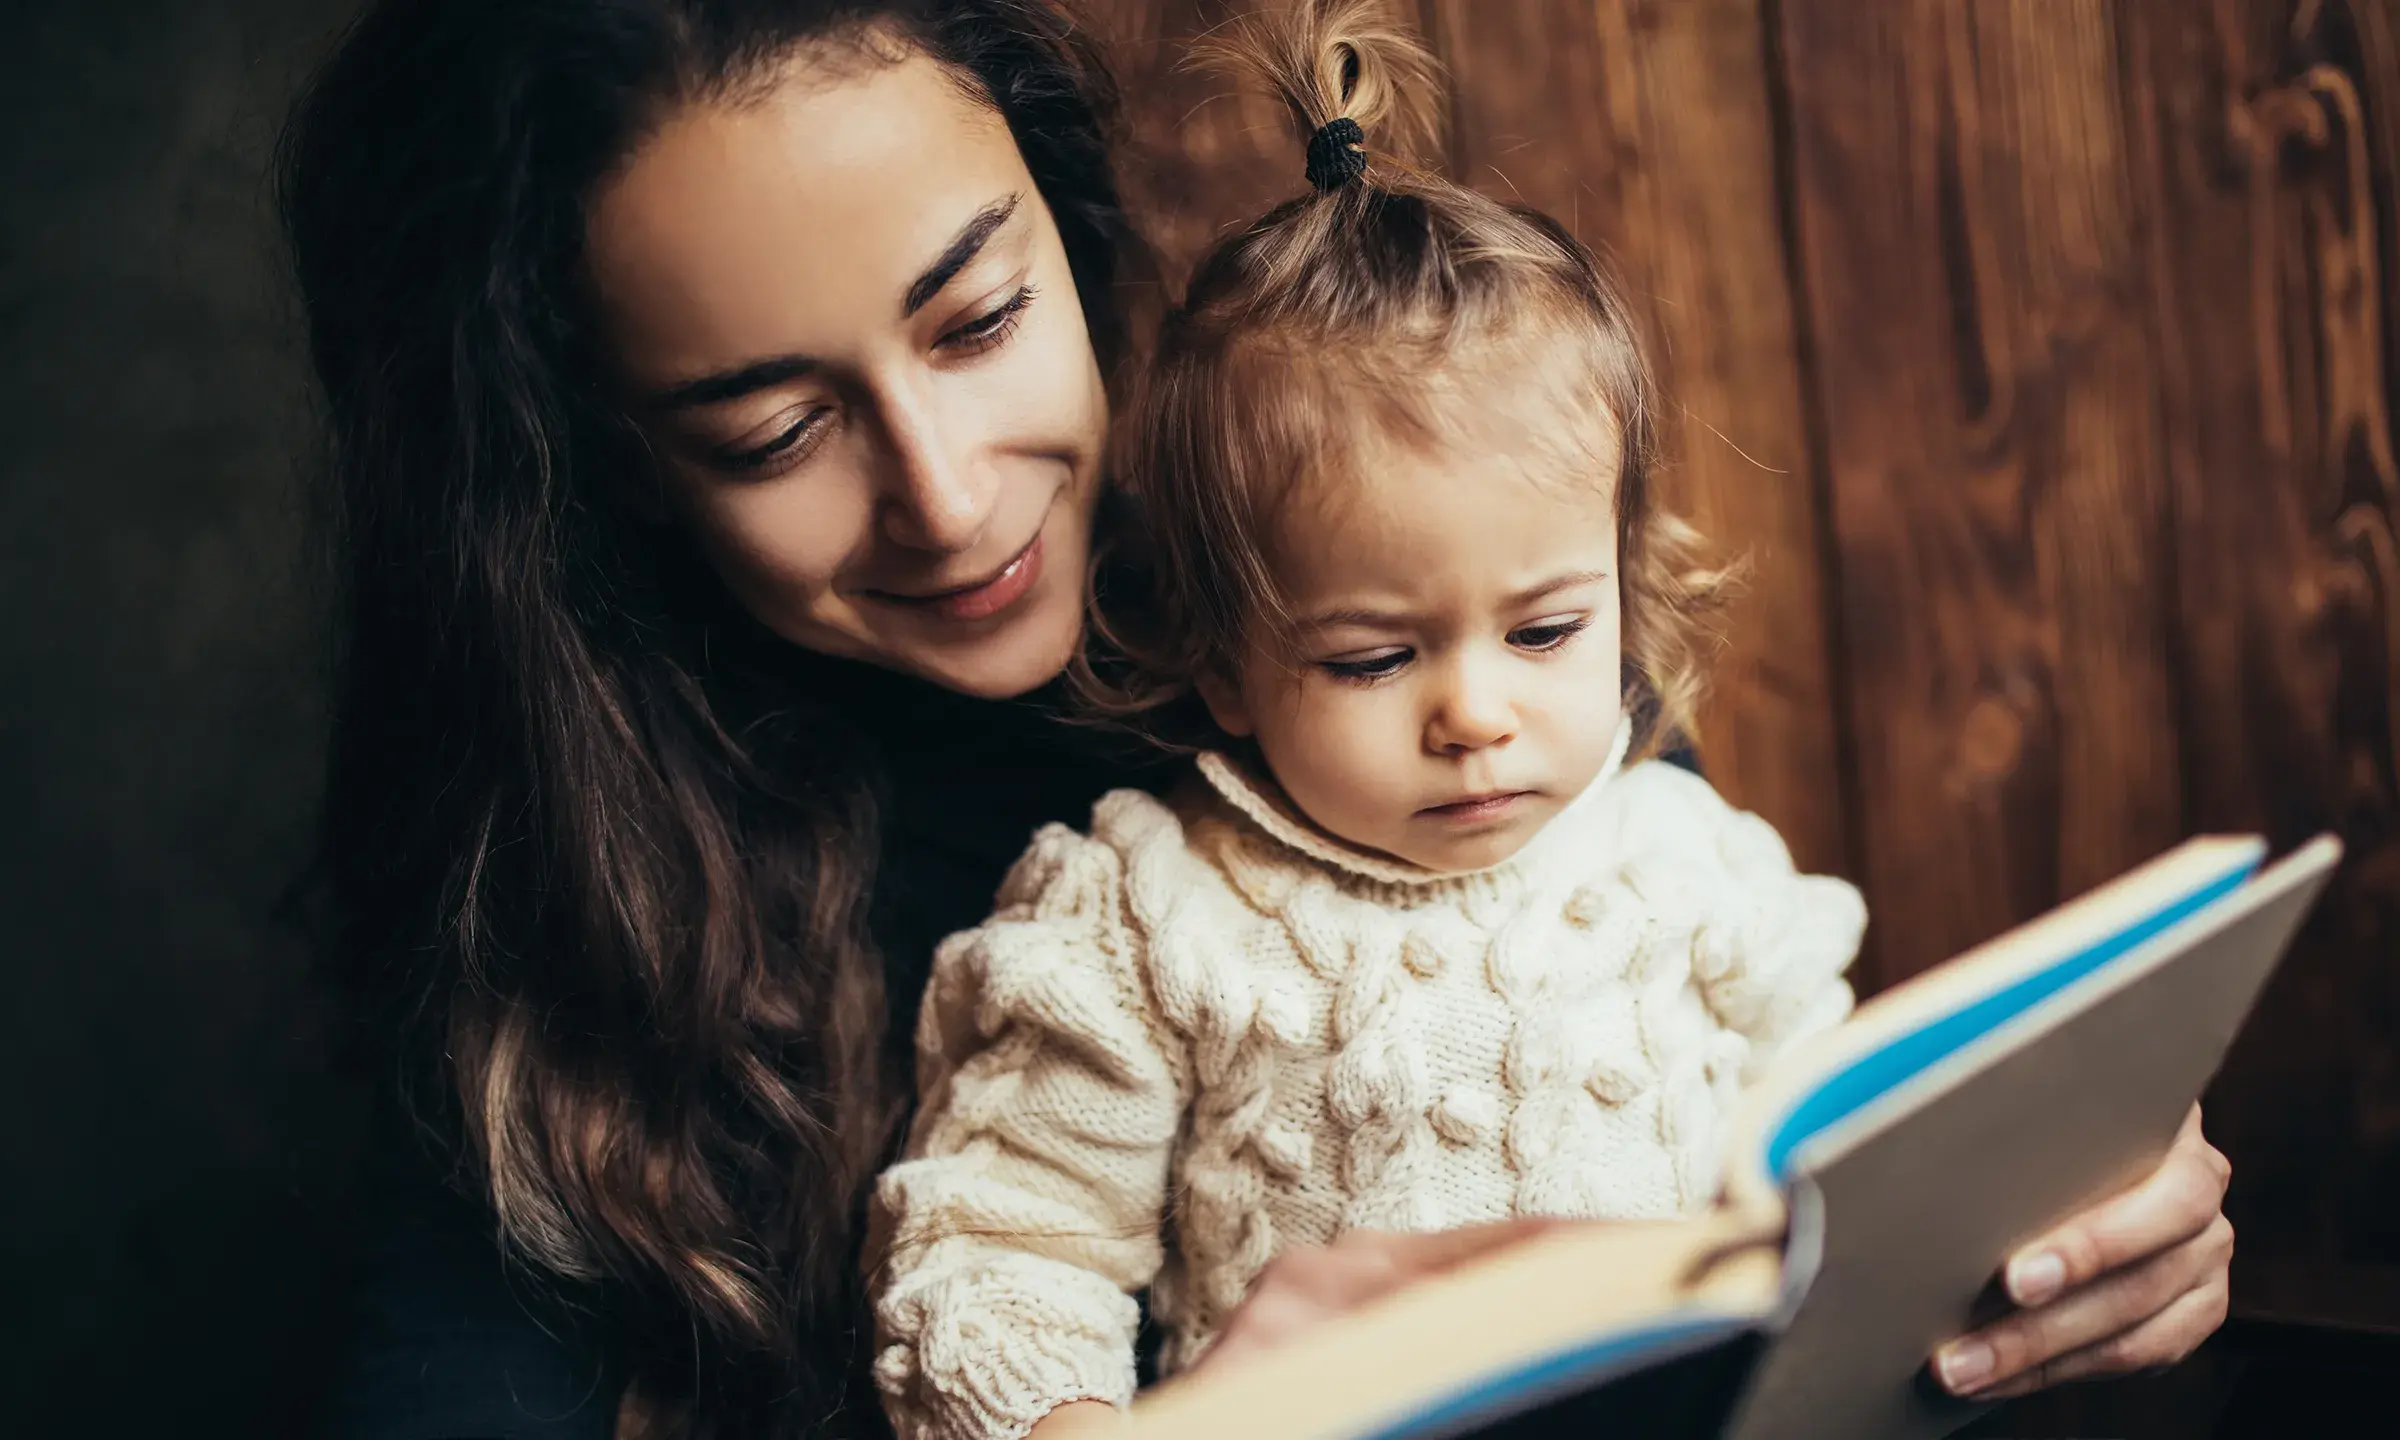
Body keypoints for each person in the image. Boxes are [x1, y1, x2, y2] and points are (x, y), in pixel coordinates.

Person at [275, 1, 2235, 1436]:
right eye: (779, 430)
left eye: (977, 321)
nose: (950, 496)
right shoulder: (599, 930)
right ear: (613, 475)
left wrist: (2049, 1228)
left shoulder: (1454, 659)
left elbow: (1806, 1129)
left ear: (1073, 234)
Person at [863, 7, 1868, 1435]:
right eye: (1370, 659)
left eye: (1546, 632)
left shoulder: (1686, 858)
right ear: (1226, 671)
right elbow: (1001, 1248)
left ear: (1626, 599)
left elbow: (1849, 1151)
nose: (1475, 711)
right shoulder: (1151, 917)